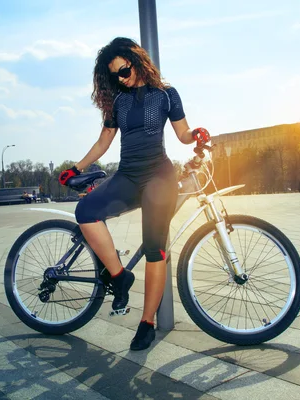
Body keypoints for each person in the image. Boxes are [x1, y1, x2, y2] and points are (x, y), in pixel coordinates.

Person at [58, 37, 211, 351]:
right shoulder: (118, 102)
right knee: (86, 212)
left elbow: (182, 134)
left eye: (124, 70)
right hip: (127, 175)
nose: (121, 78)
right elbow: (104, 142)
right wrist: (75, 167)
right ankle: (119, 276)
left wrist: (195, 135)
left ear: (137, 62)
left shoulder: (166, 95)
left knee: (155, 250)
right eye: (114, 75)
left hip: (159, 177)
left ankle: (146, 323)